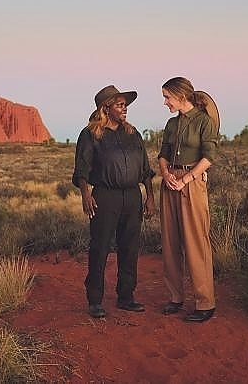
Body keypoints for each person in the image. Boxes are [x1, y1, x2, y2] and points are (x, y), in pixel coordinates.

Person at [72, 85, 155, 319]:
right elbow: (81, 170)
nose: (124, 109)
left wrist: (150, 196)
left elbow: (146, 169)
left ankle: (126, 297)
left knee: (129, 247)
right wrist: (86, 195)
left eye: (125, 105)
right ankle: (95, 300)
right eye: (119, 105)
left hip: (132, 197)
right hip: (104, 197)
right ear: (106, 108)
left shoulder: (132, 133)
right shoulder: (90, 134)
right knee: (100, 248)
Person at [158, 77, 220, 323]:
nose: (165, 102)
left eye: (167, 97)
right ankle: (175, 297)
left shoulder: (204, 122)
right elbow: (163, 153)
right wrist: (166, 174)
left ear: (181, 96)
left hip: (192, 183)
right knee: (170, 241)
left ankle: (205, 303)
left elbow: (209, 156)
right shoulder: (172, 124)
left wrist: (186, 179)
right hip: (169, 181)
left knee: (196, 241)